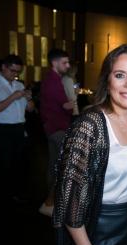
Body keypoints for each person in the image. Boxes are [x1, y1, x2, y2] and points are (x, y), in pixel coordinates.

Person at [53, 44, 127, 245]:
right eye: (120, 75)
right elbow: (68, 196)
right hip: (102, 228)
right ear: (107, 81)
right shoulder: (90, 126)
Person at [0, 54, 34, 203]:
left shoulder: (19, 85)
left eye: (18, 72)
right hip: (1, 130)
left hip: (19, 128)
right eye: (12, 71)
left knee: (20, 163)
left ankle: (16, 193)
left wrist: (28, 99)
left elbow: (29, 109)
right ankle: (2, 196)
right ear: (3, 67)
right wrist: (13, 97)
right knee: (3, 164)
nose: (15, 75)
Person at [39, 48, 73, 217]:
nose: (67, 66)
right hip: (57, 129)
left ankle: (50, 202)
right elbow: (66, 106)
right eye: (64, 62)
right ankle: (50, 202)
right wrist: (72, 103)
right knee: (63, 165)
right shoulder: (54, 81)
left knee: (54, 164)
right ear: (54, 63)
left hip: (52, 128)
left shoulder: (51, 79)